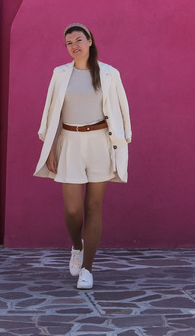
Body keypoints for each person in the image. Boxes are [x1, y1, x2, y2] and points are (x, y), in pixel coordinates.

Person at [33, 23, 131, 290]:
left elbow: (122, 110)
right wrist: (50, 148)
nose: (74, 45)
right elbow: (51, 113)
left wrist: (123, 142)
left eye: (78, 40)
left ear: (90, 41)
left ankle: (87, 268)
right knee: (73, 209)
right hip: (70, 142)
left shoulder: (109, 73)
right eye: (69, 43)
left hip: (100, 143)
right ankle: (77, 246)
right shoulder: (60, 74)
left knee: (93, 207)